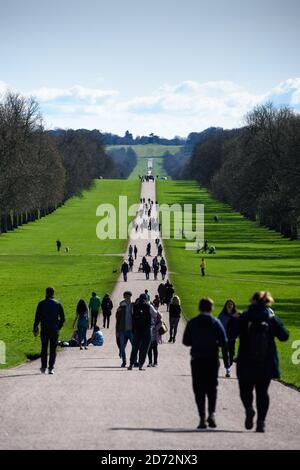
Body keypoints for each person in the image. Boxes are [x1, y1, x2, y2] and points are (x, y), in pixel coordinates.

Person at [233, 291, 289, 433]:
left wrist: (236, 319)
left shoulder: (245, 316)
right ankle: (261, 422)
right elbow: (284, 336)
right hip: (266, 361)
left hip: (246, 360)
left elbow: (232, 334)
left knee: (245, 390)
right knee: (262, 393)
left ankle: (249, 408)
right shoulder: (270, 317)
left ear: (253, 301)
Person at [183, 297, 228, 430]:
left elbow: (186, 341)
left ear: (199, 308)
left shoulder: (192, 323)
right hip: (212, 359)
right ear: (211, 308)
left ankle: (202, 417)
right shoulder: (216, 322)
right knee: (212, 387)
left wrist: (196, 342)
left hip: (197, 359)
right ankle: (212, 414)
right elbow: (224, 341)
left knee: (199, 389)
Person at [33, 287, 65, 374]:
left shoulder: (41, 304)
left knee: (44, 348)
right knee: (53, 349)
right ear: (53, 293)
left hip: (45, 329)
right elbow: (62, 318)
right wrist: (59, 327)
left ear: (46, 293)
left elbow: (37, 318)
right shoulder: (58, 304)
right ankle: (51, 368)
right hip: (54, 329)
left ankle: (43, 367)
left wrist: (35, 327)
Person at [128, 294, 152, 371]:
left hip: (137, 329)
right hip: (147, 329)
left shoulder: (135, 306)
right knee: (144, 349)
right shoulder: (149, 306)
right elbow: (155, 314)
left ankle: (131, 364)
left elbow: (131, 317)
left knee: (135, 348)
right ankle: (141, 365)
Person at [218, 299, 240, 377]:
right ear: (226, 306)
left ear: (233, 306)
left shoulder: (236, 315)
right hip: (223, 337)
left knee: (231, 353)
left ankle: (229, 365)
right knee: (224, 353)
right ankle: (227, 368)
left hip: (232, 337)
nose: (230, 305)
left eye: (231, 304)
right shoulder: (222, 315)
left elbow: (240, 326)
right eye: (228, 304)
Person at [116, 291, 134, 368]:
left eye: (129, 296)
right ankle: (124, 361)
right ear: (124, 297)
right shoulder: (121, 307)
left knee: (134, 346)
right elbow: (118, 320)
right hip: (122, 330)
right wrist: (117, 331)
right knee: (122, 347)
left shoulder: (133, 306)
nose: (127, 298)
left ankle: (133, 361)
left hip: (131, 330)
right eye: (126, 296)